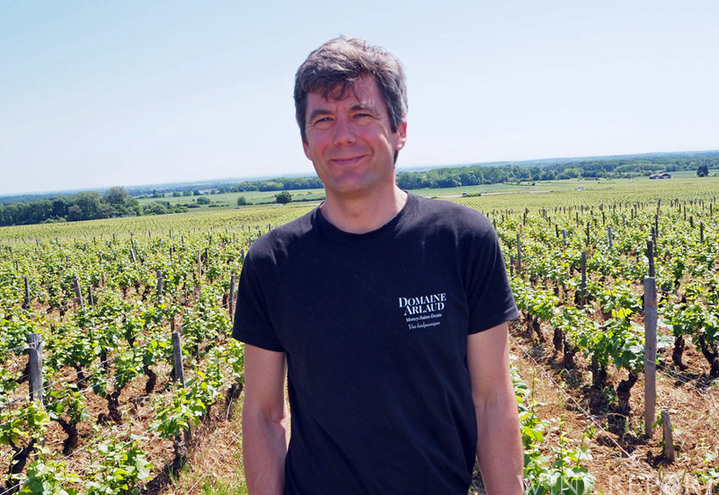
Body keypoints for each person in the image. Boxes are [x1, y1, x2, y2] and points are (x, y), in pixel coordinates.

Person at [233, 36, 524, 494]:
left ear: (400, 130)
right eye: (323, 120)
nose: (342, 136)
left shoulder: (462, 240)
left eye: (361, 115)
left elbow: (491, 401)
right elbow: (264, 415)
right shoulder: (272, 262)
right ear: (306, 142)